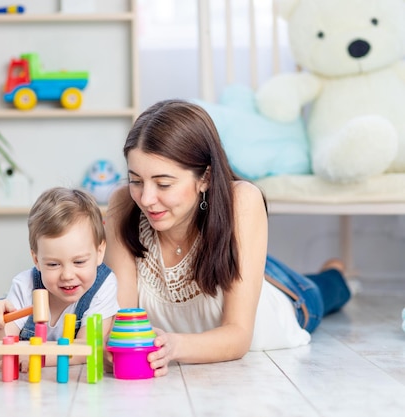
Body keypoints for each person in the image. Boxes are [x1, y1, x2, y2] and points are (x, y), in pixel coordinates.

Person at [103, 99, 351, 377]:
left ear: (205, 177)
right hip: (222, 262)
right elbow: (117, 323)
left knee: (327, 288)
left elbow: (238, 337)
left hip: (285, 297)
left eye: (163, 184)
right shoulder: (123, 204)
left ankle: (334, 270)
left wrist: (173, 346)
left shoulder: (242, 200)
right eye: (135, 180)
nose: (146, 199)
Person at [0, 187, 120, 371]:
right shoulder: (25, 285)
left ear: (99, 252)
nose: (67, 275)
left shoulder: (103, 285)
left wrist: (37, 357)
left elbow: (86, 348)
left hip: (33, 345)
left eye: (79, 262)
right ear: (36, 259)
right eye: (54, 264)